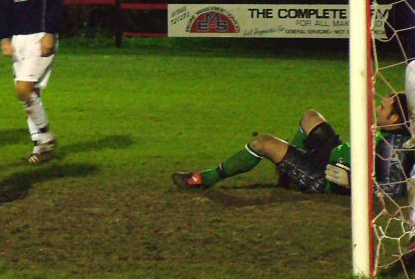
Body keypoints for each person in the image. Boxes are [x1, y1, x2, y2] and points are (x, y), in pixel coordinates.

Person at [172, 93, 412, 196]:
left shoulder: (394, 146)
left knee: (262, 142)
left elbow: (393, 190)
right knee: (311, 116)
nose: (377, 109)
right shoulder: (389, 132)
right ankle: (287, 172)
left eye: (382, 108)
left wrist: (352, 184)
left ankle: (203, 179)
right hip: (332, 156)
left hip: (323, 177)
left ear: (394, 120)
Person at [0, 0, 64, 163]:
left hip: (39, 37)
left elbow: (55, 1)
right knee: (31, 93)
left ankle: (46, 137)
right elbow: (3, 6)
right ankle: (40, 147)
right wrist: (4, 37)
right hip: (18, 39)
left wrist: (49, 32)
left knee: (23, 89)